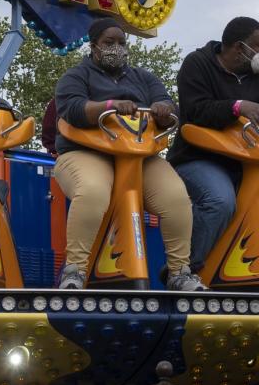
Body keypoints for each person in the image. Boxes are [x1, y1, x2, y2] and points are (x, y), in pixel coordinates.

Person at [52, 17, 202, 291]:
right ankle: (74, 271)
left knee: (177, 198)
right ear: (94, 46)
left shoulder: (143, 77)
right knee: (93, 191)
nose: (117, 48)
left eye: (122, 42)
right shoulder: (75, 76)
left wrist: (164, 110)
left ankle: (179, 272)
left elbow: (169, 106)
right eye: (109, 43)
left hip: (139, 156)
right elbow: (72, 110)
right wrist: (109, 106)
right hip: (85, 151)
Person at [167, 17, 259, 282]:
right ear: (237, 47)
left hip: (248, 164)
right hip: (199, 158)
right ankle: (185, 270)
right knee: (220, 202)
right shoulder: (197, 64)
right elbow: (195, 111)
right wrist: (236, 107)